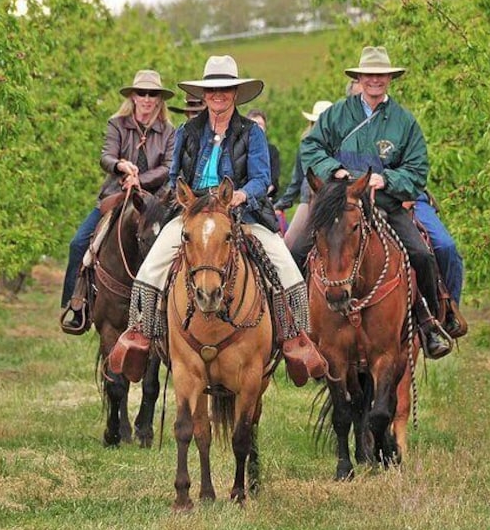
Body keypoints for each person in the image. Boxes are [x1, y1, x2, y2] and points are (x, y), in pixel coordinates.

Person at [108, 55, 328, 386]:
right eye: (213, 91)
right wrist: (183, 195)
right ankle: (142, 335)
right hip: (194, 213)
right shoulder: (187, 131)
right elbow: (173, 174)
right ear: (206, 95)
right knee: (150, 267)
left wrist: (241, 195)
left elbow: (260, 177)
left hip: (240, 213)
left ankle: (295, 340)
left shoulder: (251, 132)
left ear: (235, 94)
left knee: (286, 268)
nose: (218, 96)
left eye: (225, 90)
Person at [299, 46, 451, 359]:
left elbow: (417, 169)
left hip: (385, 204)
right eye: (369, 75)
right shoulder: (336, 115)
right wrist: (335, 171)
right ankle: (302, 330)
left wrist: (388, 180)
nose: (374, 80)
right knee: (297, 249)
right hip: (342, 204)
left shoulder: (404, 122)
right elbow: (310, 148)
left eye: (381, 75)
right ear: (359, 78)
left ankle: (428, 322)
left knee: (422, 254)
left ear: (389, 79)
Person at [60, 69, 176, 332]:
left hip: (152, 202)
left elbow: (169, 167)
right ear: (133, 96)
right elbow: (106, 156)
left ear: (160, 99)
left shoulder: (169, 131)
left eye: (153, 94)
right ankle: (77, 303)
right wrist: (121, 166)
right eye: (142, 93)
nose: (147, 98)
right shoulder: (117, 124)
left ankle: (172, 311)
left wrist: (141, 181)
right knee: (79, 243)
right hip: (116, 195)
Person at [273, 100, 332, 253]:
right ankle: (299, 277)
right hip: (308, 200)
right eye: (316, 123)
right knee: (290, 244)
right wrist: (282, 204)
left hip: (333, 202)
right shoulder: (305, 146)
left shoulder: (341, 147)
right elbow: (297, 180)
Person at [246, 109, 281, 201]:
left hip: (265, 197)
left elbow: (273, 179)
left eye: (259, 124)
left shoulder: (272, 150)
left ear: (265, 128)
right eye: (253, 124)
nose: (256, 127)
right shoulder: (239, 148)